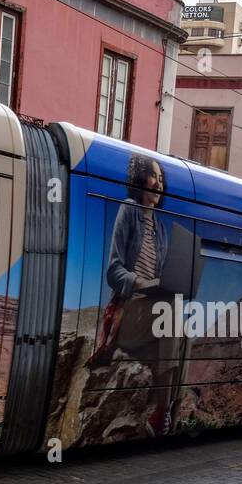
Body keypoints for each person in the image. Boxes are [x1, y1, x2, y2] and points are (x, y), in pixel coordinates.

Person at [89, 154, 181, 436]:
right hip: (128, 309)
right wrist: (143, 283)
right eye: (154, 176)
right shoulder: (129, 210)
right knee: (171, 309)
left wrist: (168, 283)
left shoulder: (162, 230)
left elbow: (163, 277)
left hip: (151, 313)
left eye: (162, 179)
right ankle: (163, 415)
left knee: (184, 334)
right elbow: (114, 271)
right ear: (140, 179)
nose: (158, 183)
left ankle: (166, 416)